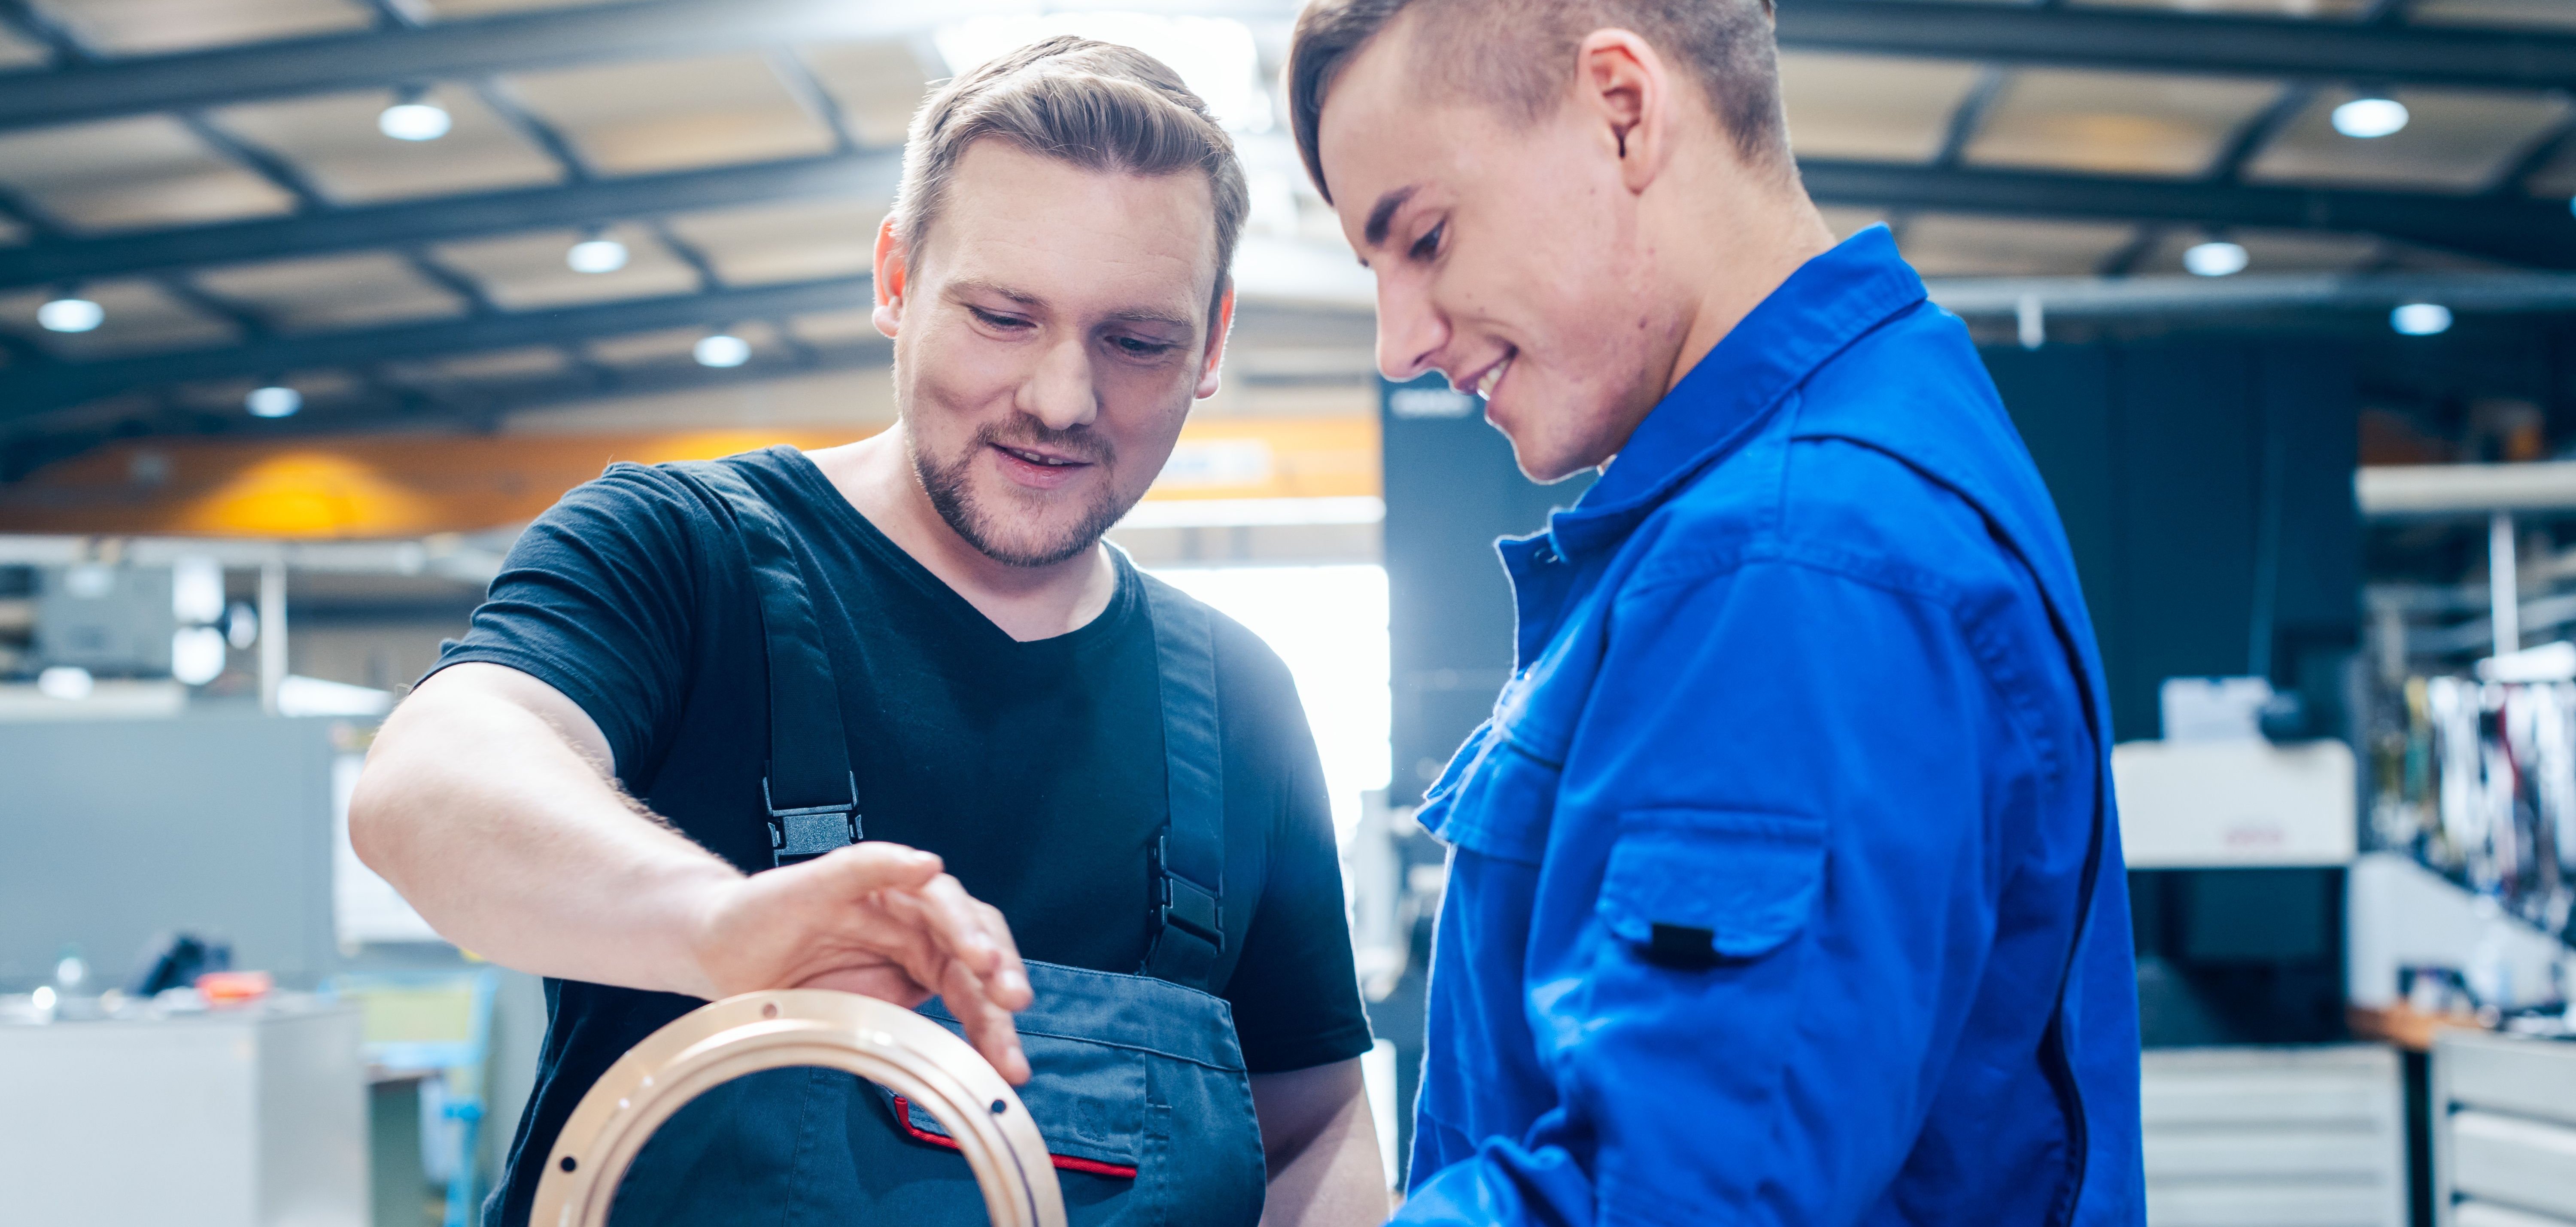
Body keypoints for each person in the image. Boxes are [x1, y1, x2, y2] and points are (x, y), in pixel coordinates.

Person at [352, 37, 1387, 1227]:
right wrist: (720, 925)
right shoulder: (678, 553)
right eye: (1003, 316)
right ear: (896, 279)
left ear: (1211, 343)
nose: (1060, 398)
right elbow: (428, 785)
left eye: (1136, 341)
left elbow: (1313, 1127)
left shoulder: (1238, 699)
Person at [1285, 2, 2145, 1223]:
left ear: (1623, 114)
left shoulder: (1798, 558)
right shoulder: (1863, 449)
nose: (1397, 342)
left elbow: (1677, 1202)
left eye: (1424, 238)